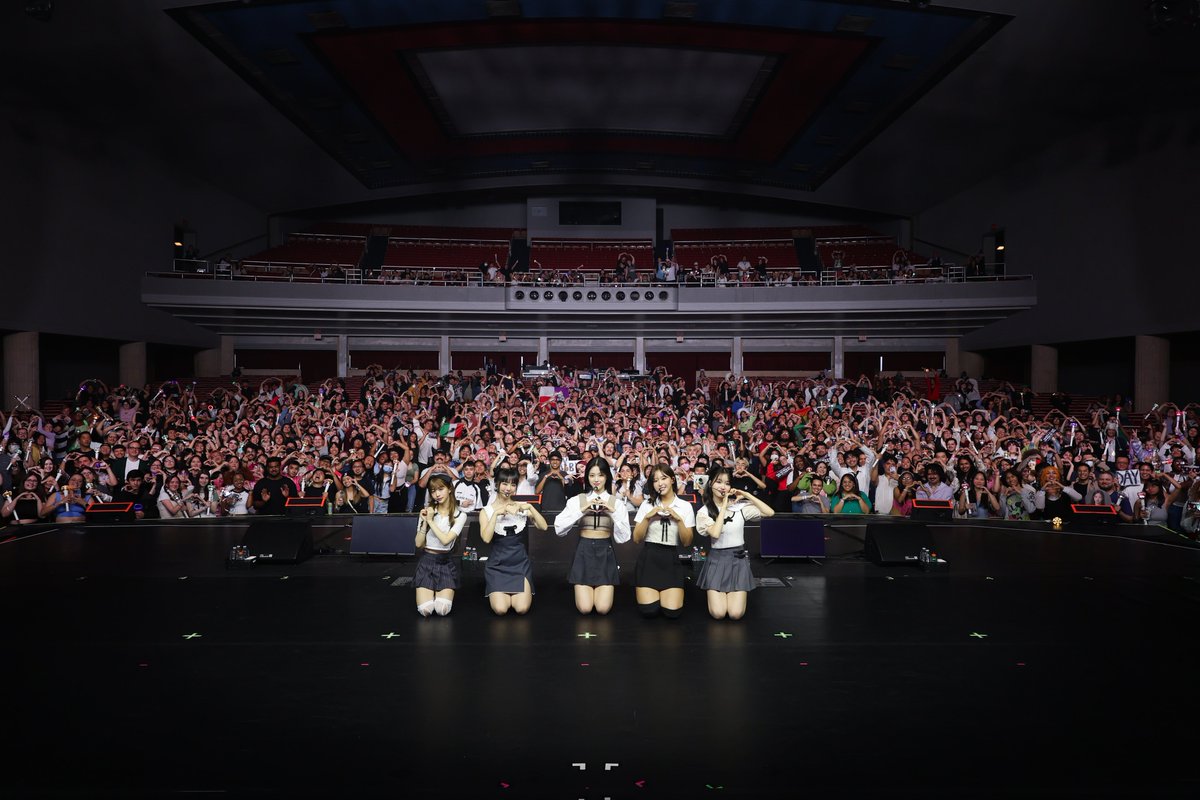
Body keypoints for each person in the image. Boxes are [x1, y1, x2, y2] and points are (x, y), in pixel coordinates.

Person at [553, 457, 631, 615]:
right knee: (585, 608)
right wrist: (582, 510)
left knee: (602, 609)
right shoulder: (577, 500)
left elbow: (624, 538)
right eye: (592, 475)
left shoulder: (616, 503)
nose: (596, 479)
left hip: (605, 552)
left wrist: (612, 512)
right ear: (587, 477)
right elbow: (559, 529)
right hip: (583, 551)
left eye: (601, 475)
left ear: (607, 477)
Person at [695, 466, 774, 620]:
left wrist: (746, 495)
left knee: (735, 614)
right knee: (718, 613)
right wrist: (724, 505)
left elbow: (769, 512)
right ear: (710, 483)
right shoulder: (704, 512)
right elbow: (715, 532)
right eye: (719, 482)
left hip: (738, 561)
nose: (723, 487)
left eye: (727, 483)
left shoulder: (740, 508)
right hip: (716, 561)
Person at [479, 465, 548, 615]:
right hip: (497, 565)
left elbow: (543, 527)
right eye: (505, 483)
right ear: (497, 484)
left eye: (513, 484)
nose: (508, 488)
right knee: (500, 609)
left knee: (521, 609)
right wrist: (496, 514)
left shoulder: (520, 507)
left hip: (519, 564)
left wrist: (530, 508)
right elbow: (486, 538)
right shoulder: (487, 511)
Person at [632, 464, 695, 619]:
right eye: (655, 480)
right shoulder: (647, 504)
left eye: (664, 478)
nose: (660, 483)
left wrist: (679, 519)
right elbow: (636, 538)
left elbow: (687, 542)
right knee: (649, 610)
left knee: (672, 612)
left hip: (671, 559)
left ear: (672, 479)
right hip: (649, 558)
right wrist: (648, 517)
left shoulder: (685, 506)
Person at [413, 475, 468, 617]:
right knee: (425, 610)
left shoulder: (460, 515)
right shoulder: (428, 511)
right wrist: (424, 521)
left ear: (449, 489)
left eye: (440, 489)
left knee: (442, 610)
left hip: (445, 562)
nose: (437, 494)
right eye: (433, 491)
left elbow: (445, 541)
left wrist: (430, 521)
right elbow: (418, 544)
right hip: (426, 561)